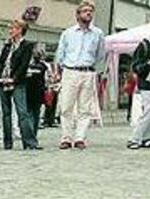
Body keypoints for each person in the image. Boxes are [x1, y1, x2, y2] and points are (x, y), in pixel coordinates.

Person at [55, 0, 105, 150]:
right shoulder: (68, 33)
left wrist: (90, 66)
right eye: (85, 11)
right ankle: (66, 137)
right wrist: (60, 70)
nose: (88, 13)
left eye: (90, 11)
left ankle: (79, 138)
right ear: (78, 15)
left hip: (88, 72)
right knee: (66, 106)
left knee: (85, 108)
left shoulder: (98, 34)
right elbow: (60, 53)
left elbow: (100, 54)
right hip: (70, 71)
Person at [0, 19, 40, 150]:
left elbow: (23, 65)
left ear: (20, 30)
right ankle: (8, 142)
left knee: (22, 112)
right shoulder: (8, 45)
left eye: (13, 28)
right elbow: (1, 61)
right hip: (3, 81)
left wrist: (14, 79)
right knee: (6, 113)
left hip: (17, 82)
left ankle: (29, 142)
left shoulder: (27, 46)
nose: (10, 31)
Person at [128, 17, 150, 150]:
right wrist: (149, 65)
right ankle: (134, 138)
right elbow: (135, 65)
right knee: (149, 110)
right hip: (146, 82)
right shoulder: (145, 44)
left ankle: (146, 138)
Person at [26, 46, 49, 137]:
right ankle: (33, 134)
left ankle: (29, 133)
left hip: (28, 92)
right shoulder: (43, 67)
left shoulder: (28, 67)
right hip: (39, 93)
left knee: (29, 114)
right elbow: (46, 80)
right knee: (36, 114)